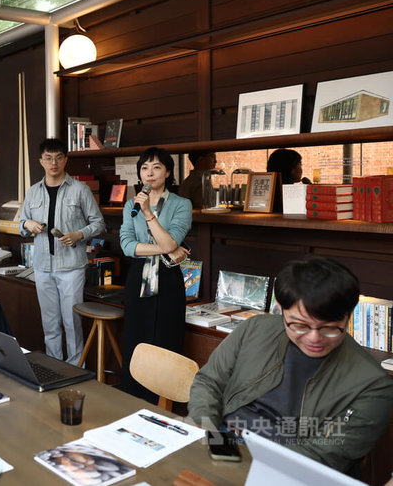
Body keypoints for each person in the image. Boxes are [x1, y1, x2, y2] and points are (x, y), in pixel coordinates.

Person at [188, 257, 393, 474]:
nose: (314, 338)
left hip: (288, 467)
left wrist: (246, 462)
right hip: (222, 441)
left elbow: (326, 456)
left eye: (330, 328)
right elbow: (209, 382)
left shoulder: (373, 386)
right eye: (299, 325)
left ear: (348, 317)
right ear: (281, 309)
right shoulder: (255, 329)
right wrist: (207, 432)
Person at [20, 138, 105, 365]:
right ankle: (54, 366)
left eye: (58, 158)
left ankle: (76, 368)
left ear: (65, 160)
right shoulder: (33, 192)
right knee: (50, 322)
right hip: (42, 266)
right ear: (41, 161)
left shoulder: (79, 189)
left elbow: (99, 223)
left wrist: (78, 234)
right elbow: (21, 223)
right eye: (48, 158)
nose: (53, 163)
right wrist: (28, 224)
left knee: (72, 321)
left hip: (71, 266)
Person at [119, 147, 192, 401]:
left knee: (165, 338)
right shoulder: (131, 204)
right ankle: (132, 399)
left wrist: (149, 213)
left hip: (168, 278)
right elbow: (127, 245)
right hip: (138, 277)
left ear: (168, 171)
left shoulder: (182, 204)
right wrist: (165, 248)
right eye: (145, 168)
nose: (149, 173)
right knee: (136, 338)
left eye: (157, 167)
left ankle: (163, 404)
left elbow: (174, 242)